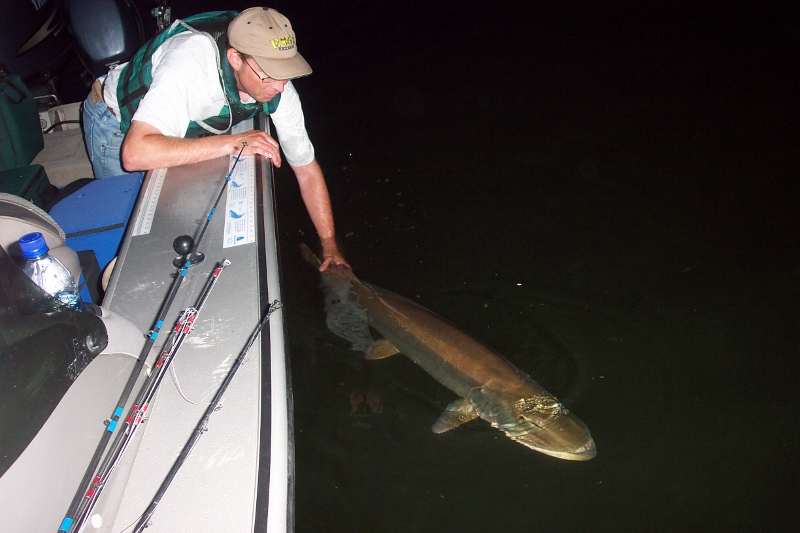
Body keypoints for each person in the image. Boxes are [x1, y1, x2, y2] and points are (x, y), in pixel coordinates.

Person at [82, 7, 348, 270]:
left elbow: (306, 169)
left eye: (285, 73)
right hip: (116, 124)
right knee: (124, 237)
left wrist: (329, 245)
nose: (279, 87)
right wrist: (233, 143)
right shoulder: (190, 62)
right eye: (268, 75)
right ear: (235, 59)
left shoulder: (278, 85)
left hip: (173, 128)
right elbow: (134, 154)